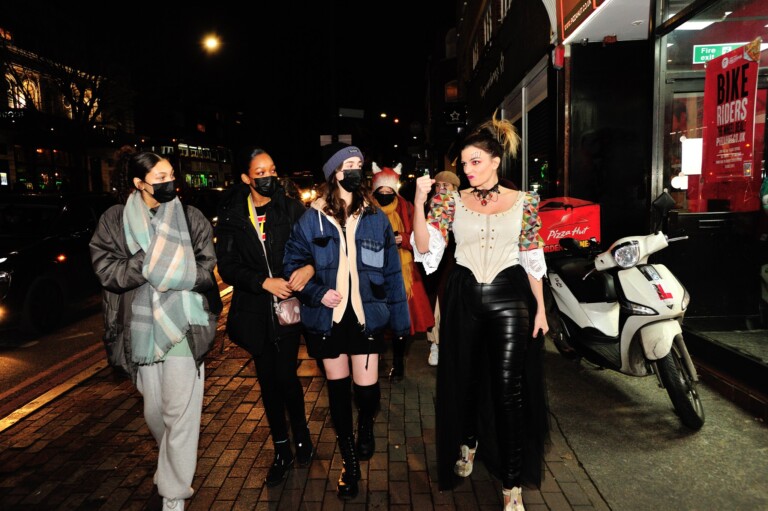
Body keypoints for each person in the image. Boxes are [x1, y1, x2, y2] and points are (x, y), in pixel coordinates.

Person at [412, 113, 550, 511]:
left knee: (509, 391)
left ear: (495, 161)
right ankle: (469, 443)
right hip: (464, 297)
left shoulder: (524, 201)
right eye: (464, 163)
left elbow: (531, 257)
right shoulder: (449, 201)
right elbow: (426, 251)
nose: (468, 170)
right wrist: (420, 204)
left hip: (511, 299)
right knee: (467, 381)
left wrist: (540, 308)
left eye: (476, 161)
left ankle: (511, 485)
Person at [90, 149, 218, 511]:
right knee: (156, 413)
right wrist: (151, 261)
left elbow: (208, 268)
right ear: (138, 183)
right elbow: (106, 271)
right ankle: (170, 464)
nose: (168, 183)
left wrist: (182, 271)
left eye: (171, 176)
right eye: (159, 178)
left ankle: (174, 493)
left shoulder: (191, 217)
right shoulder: (115, 221)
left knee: (180, 413)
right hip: (140, 328)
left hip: (183, 324)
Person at [283, 142, 410, 500]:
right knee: (338, 392)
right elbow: (292, 265)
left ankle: (366, 423)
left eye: (359, 164)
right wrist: (315, 293)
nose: (356, 170)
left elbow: (391, 272)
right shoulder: (312, 218)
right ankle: (349, 462)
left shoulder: (375, 217)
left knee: (366, 393)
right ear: (334, 173)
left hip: (367, 317)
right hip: (327, 319)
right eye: (349, 164)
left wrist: (399, 324)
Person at [214, 147, 315, 487]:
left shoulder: (292, 208)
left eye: (272, 169)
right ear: (246, 178)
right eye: (260, 171)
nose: (268, 175)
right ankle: (282, 448)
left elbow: (317, 246)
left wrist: (308, 267)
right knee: (268, 382)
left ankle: (301, 436)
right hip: (255, 311)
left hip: (287, 309)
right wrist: (261, 282)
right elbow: (227, 267)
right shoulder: (232, 216)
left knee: (285, 376)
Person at [371, 162, 434, 382]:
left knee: (402, 323)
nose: (386, 194)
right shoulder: (367, 208)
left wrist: (403, 239)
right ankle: (373, 362)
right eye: (382, 191)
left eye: (390, 191)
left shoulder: (406, 206)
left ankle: (398, 366)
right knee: (374, 320)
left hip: (403, 272)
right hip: (372, 271)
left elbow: (419, 235)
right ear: (375, 191)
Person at [422, 169, 461, 367]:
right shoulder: (432, 206)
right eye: (438, 185)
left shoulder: (463, 207)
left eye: (446, 185)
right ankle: (435, 345)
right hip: (439, 266)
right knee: (437, 305)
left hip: (459, 264)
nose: (441, 189)